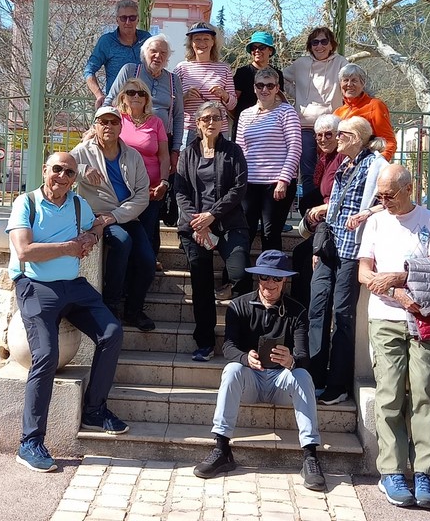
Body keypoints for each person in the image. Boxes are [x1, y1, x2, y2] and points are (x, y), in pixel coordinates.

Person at [6, 151, 128, 473]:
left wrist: (92, 234)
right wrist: (68, 248)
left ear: (75, 178)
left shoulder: (77, 205)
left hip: (73, 285)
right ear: (44, 170)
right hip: (36, 286)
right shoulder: (26, 203)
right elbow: (24, 251)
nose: (62, 176)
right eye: (57, 169)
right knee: (46, 355)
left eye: (69, 172)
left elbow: (96, 225)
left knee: (112, 332)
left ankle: (94, 410)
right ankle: (30, 442)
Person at [192, 249, 326, 492]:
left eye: (276, 278)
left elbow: (304, 356)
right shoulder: (238, 306)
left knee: (303, 375)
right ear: (258, 278)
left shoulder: (297, 311)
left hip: (281, 381)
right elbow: (228, 346)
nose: (270, 283)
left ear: (284, 281)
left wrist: (291, 361)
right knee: (232, 370)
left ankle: (310, 455)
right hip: (251, 378)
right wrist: (246, 358)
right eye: (265, 277)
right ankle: (221, 448)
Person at [358, 163, 430, 510]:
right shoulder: (376, 222)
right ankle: (392, 472)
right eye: (379, 196)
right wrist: (395, 292)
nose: (383, 202)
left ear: (409, 189)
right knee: (390, 394)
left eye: (389, 195)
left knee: (425, 392)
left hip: (423, 317)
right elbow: (364, 272)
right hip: (385, 317)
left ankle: (424, 472)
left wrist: (397, 277)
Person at [307, 116, 386, 406]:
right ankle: (313, 377)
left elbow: (390, 200)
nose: (337, 137)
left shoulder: (376, 165)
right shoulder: (344, 163)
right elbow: (338, 204)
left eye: (342, 133)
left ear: (359, 138)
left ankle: (337, 384)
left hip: (352, 251)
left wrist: (366, 213)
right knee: (317, 308)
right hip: (330, 247)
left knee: (342, 316)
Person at [175, 101, 251, 362]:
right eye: (205, 118)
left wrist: (212, 215)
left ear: (222, 123)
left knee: (240, 274)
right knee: (201, 281)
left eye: (216, 118)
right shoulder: (187, 154)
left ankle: (241, 338)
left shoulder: (233, 151)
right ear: (197, 123)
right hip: (194, 226)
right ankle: (205, 342)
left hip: (229, 222)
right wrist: (198, 222)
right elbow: (180, 192)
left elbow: (239, 188)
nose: (211, 122)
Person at [70, 106, 156, 331]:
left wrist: (116, 215)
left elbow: (142, 195)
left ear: (121, 127)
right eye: (103, 122)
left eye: (113, 122)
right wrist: (82, 169)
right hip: (97, 216)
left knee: (147, 261)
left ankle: (134, 311)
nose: (108, 126)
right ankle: (110, 306)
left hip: (126, 215)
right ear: (95, 126)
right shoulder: (83, 151)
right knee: (122, 241)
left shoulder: (133, 155)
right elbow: (57, 166)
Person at [283, 26, 349, 214]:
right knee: (308, 171)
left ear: (331, 44)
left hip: (331, 127)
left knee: (333, 168)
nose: (319, 46)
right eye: (315, 42)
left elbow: (351, 80)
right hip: (305, 125)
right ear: (310, 46)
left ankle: (330, 208)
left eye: (324, 41)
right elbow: (282, 78)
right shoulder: (301, 64)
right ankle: (310, 212)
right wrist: (297, 95)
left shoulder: (341, 62)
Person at [236, 66, 302, 251]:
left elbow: (295, 148)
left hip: (276, 184)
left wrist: (283, 181)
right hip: (250, 183)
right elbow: (240, 150)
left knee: (270, 233)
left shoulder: (287, 112)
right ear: (254, 87)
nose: (264, 89)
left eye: (270, 85)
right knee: (245, 230)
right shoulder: (245, 115)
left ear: (277, 88)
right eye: (260, 85)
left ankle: (271, 270)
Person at [105, 34, 184, 171]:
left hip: (163, 143)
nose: (158, 56)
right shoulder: (130, 70)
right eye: (153, 51)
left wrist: (175, 150)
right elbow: (110, 101)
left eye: (163, 53)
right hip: (129, 139)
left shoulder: (173, 80)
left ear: (167, 57)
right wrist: (96, 127)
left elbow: (178, 116)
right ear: (144, 53)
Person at [114, 77, 170, 266]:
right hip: (123, 189)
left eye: (141, 93)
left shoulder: (156, 122)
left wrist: (164, 182)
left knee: (148, 230)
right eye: (131, 92)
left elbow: (164, 156)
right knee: (128, 232)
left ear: (147, 99)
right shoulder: (116, 120)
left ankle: (148, 266)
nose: (136, 96)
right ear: (123, 97)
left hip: (151, 189)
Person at [290, 113, 343, 307]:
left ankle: (304, 310)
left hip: (336, 224)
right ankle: (298, 310)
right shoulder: (324, 159)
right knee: (299, 253)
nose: (322, 139)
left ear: (339, 135)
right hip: (323, 220)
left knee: (305, 258)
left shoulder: (342, 159)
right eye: (318, 135)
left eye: (328, 134)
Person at [174, 22, 237, 144]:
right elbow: (171, 103)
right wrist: (184, 97)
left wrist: (224, 95)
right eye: (197, 39)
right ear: (191, 43)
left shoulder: (224, 69)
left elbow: (232, 105)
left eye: (206, 39)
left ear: (213, 42)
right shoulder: (181, 68)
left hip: (218, 130)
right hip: (190, 130)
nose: (201, 43)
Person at [84, 0, 151, 106]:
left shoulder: (147, 39)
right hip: (118, 104)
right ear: (117, 20)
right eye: (123, 18)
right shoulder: (107, 41)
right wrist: (99, 95)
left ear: (138, 19)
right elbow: (89, 70)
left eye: (132, 18)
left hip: (143, 104)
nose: (128, 22)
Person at [335, 63, 397, 161]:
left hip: (365, 160)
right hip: (341, 163)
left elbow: (388, 141)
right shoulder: (338, 112)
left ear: (362, 83)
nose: (349, 84)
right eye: (345, 80)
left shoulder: (375, 106)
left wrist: (378, 162)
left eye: (354, 80)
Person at [231, 30, 284, 132]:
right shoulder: (242, 72)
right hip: (245, 126)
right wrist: (240, 118)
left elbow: (279, 101)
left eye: (262, 47)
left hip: (270, 126)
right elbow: (232, 103)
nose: (257, 50)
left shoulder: (278, 74)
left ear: (270, 51)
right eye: (253, 47)